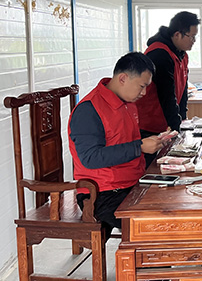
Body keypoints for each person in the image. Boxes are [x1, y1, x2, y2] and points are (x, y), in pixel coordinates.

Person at [68, 52, 165, 233]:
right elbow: (90, 158)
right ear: (123, 78)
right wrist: (139, 147)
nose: (144, 93)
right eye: (142, 86)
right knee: (155, 226)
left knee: (174, 202)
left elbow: (123, 138)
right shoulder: (89, 110)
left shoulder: (127, 102)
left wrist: (155, 140)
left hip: (131, 181)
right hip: (102, 193)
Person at [136, 11, 200, 135]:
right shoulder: (159, 54)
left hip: (167, 122)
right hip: (151, 124)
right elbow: (166, 95)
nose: (194, 41)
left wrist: (182, 118)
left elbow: (183, 90)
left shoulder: (182, 55)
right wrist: (176, 127)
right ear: (177, 35)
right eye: (192, 37)